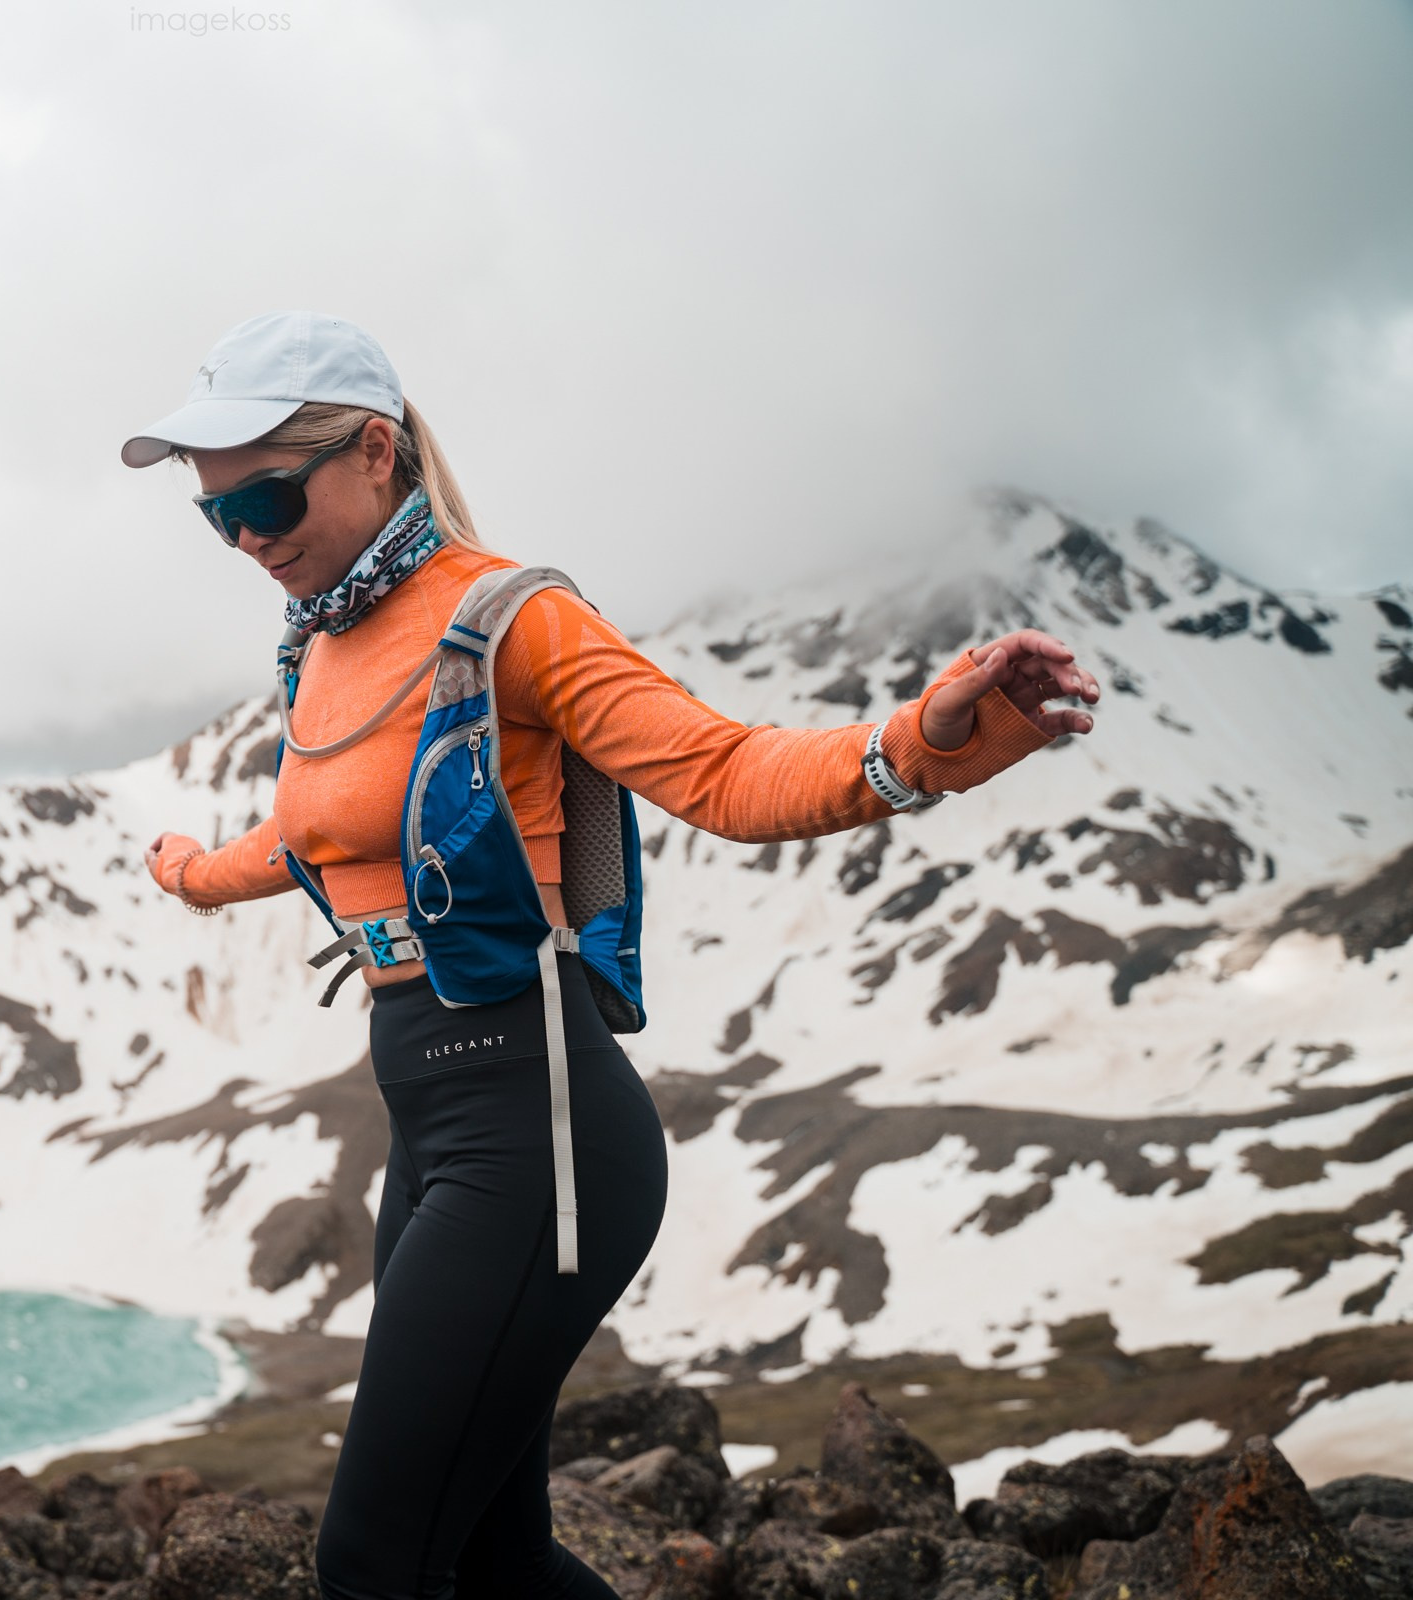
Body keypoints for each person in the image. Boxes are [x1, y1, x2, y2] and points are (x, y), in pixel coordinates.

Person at [122, 310, 1099, 1600]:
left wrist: (930, 741)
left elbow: (727, 769)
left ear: (372, 451)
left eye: (264, 496)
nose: (247, 539)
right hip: (432, 1131)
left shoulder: (510, 618)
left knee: (372, 1563)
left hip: (544, 1138)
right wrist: (194, 873)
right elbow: (317, 838)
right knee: (488, 1554)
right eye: (215, 517)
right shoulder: (321, 645)